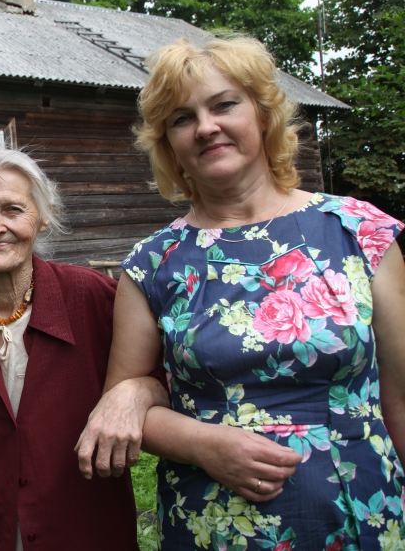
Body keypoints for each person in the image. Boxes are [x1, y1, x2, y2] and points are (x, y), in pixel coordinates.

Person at [77, 36, 405, 549]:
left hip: (361, 513)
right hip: (212, 526)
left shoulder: (360, 233)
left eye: (224, 104)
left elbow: (401, 400)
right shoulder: (152, 263)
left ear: (264, 114)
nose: (206, 127)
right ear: (170, 146)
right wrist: (205, 444)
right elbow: (127, 403)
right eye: (183, 119)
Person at [0, 146, 161, 551]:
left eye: (12, 209)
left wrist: (137, 392)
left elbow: (163, 377)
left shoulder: (95, 298)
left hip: (84, 529)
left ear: (43, 217)